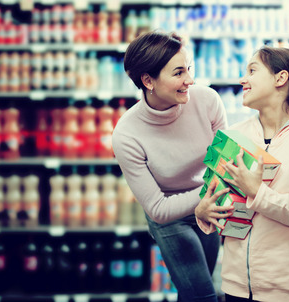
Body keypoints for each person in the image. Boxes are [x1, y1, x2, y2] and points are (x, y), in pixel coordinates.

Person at [195, 45, 289, 302]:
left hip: (287, 289)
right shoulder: (234, 135)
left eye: (252, 70)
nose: (242, 79)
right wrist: (203, 213)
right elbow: (217, 201)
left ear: (280, 78)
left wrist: (258, 192)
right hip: (235, 285)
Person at [112, 31, 230, 302]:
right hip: (170, 217)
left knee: (196, 291)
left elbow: (224, 163)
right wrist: (203, 197)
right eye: (178, 73)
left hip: (209, 204)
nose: (190, 79)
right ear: (148, 80)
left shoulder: (208, 101)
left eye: (189, 68)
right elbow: (157, 208)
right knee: (203, 296)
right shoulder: (127, 134)